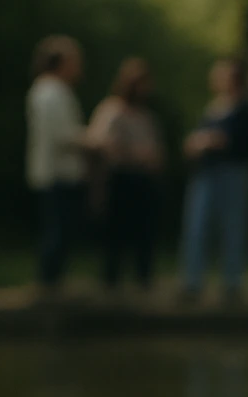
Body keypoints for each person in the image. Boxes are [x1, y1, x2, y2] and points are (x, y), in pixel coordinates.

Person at [179, 59, 248, 302]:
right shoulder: (213, 107)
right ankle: (193, 281)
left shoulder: (246, 109)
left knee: (233, 227)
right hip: (206, 174)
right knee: (197, 226)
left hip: (234, 174)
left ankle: (232, 282)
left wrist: (221, 141)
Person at [89, 58, 165, 289]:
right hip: (119, 179)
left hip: (143, 181)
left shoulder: (146, 116)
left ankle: (144, 278)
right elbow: (101, 143)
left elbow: (158, 152)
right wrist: (134, 153)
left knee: (144, 233)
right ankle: (110, 281)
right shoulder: (111, 110)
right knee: (116, 232)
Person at [26, 35, 88, 289]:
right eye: (75, 61)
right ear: (61, 62)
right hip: (55, 174)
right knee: (56, 233)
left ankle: (52, 283)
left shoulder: (53, 91)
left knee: (61, 232)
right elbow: (62, 136)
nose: (79, 67)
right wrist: (93, 140)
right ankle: (47, 286)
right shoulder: (50, 92)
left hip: (60, 173)